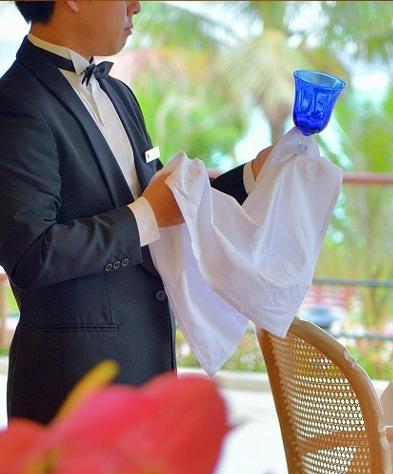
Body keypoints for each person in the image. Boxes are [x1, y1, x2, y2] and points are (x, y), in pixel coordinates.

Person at [0, 0, 272, 423]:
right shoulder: (16, 102)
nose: (136, 6)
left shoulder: (120, 95)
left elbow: (171, 207)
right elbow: (32, 253)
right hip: (74, 389)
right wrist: (146, 215)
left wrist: (252, 176)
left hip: (147, 369)